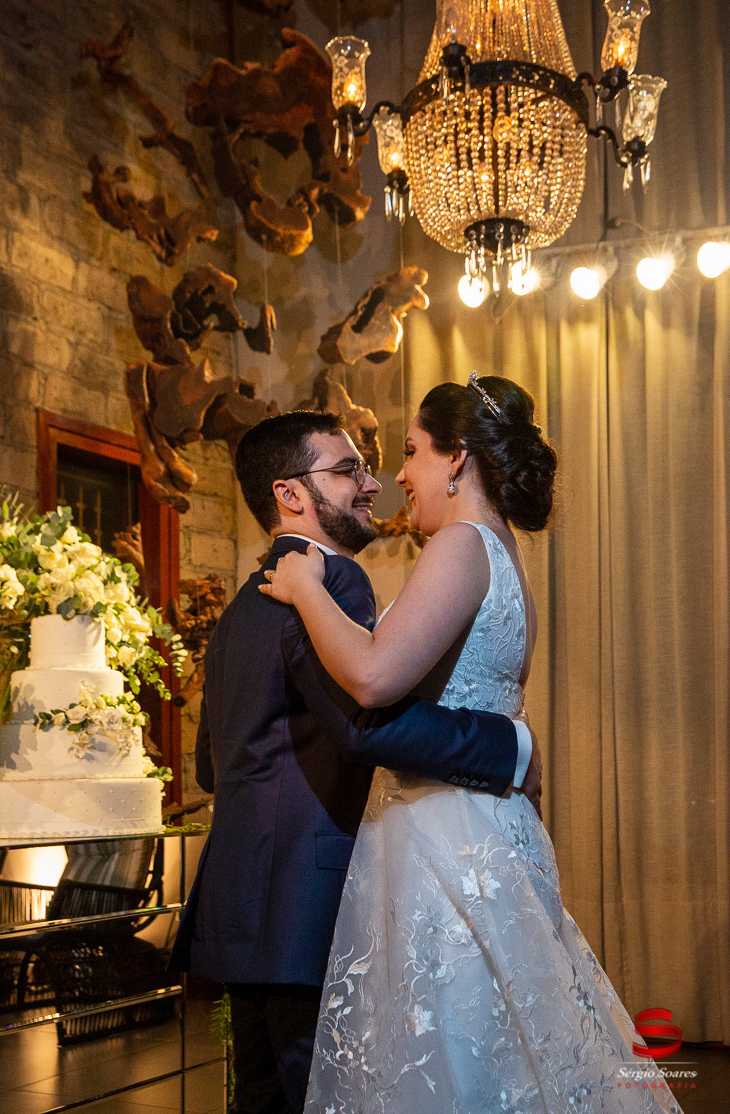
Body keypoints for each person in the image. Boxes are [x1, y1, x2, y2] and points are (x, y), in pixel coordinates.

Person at [261, 376, 683, 1114]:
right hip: (481, 826)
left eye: (411, 452)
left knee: (452, 1049)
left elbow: (373, 676)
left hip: (446, 839)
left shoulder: (460, 544)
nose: (398, 475)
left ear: (456, 458)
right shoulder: (501, 553)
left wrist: (304, 588)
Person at [169, 408, 542, 1114]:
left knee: (260, 1099)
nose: (372, 484)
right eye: (347, 470)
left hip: (239, 902)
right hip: (307, 902)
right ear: (290, 493)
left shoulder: (240, 608)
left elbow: (212, 769)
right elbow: (364, 726)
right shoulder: (332, 583)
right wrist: (508, 747)